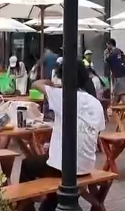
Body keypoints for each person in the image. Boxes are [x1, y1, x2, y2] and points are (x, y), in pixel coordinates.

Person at [20, 63, 105, 211]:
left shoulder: (62, 96)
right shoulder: (95, 103)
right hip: (86, 165)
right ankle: (50, 203)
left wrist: (52, 84)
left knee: (28, 165)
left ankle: (25, 207)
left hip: (64, 168)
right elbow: (98, 132)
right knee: (51, 176)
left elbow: (35, 84)